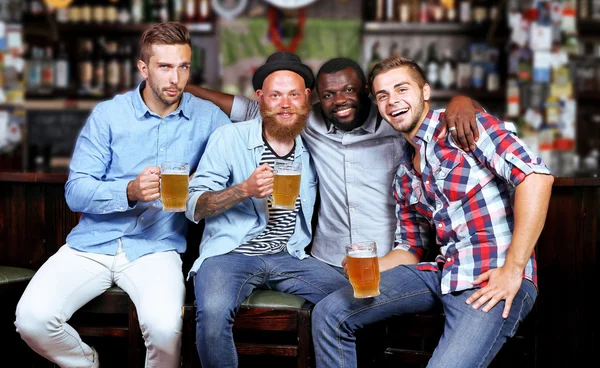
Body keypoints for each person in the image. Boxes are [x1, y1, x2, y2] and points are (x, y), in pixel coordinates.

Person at [312, 56, 555, 367]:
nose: (393, 101)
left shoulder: (464, 126)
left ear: (425, 91)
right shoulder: (403, 173)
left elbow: (535, 176)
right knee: (329, 313)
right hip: (440, 273)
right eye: (383, 95)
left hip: (490, 276)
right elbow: (410, 250)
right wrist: (371, 264)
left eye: (402, 89)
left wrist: (513, 270)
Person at [14, 22, 230, 368]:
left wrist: (205, 184)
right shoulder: (109, 115)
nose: (175, 78)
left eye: (183, 66)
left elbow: (242, 150)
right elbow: (76, 191)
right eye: (164, 67)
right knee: (31, 320)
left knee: (165, 331)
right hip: (92, 244)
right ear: (143, 68)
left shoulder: (209, 119)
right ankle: (88, 363)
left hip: (156, 247)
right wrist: (128, 190)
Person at [186, 57, 482, 271]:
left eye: (349, 91)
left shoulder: (394, 121)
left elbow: (432, 114)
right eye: (328, 94)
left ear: (366, 90)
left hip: (390, 257)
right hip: (326, 259)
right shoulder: (306, 120)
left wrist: (463, 100)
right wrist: (184, 87)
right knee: (332, 321)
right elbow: (252, 107)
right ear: (316, 98)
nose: (340, 100)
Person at [185, 52, 349, 368]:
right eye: (275, 95)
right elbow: (194, 205)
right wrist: (242, 190)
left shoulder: (313, 147)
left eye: (292, 95)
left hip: (290, 256)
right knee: (213, 314)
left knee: (358, 299)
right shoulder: (228, 138)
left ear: (306, 98)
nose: (284, 104)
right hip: (229, 255)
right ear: (260, 98)